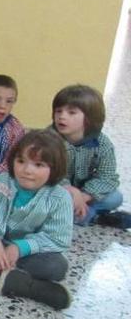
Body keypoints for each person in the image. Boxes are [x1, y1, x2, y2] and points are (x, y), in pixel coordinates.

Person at [0, 130, 74, 310]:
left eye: (39, 165)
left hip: (26, 255)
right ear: (12, 161)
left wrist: (21, 247)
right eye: (21, 161)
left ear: (54, 168)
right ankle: (26, 286)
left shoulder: (60, 198)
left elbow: (58, 237)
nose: (27, 170)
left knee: (57, 266)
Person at [51, 85, 124, 226]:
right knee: (50, 205)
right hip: (57, 190)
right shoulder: (49, 140)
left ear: (89, 119)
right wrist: (72, 193)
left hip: (85, 192)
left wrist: (84, 196)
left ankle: (82, 213)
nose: (62, 116)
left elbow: (108, 177)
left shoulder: (102, 143)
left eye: (71, 113)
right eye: (58, 111)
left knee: (116, 197)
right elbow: (50, 175)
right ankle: (95, 218)